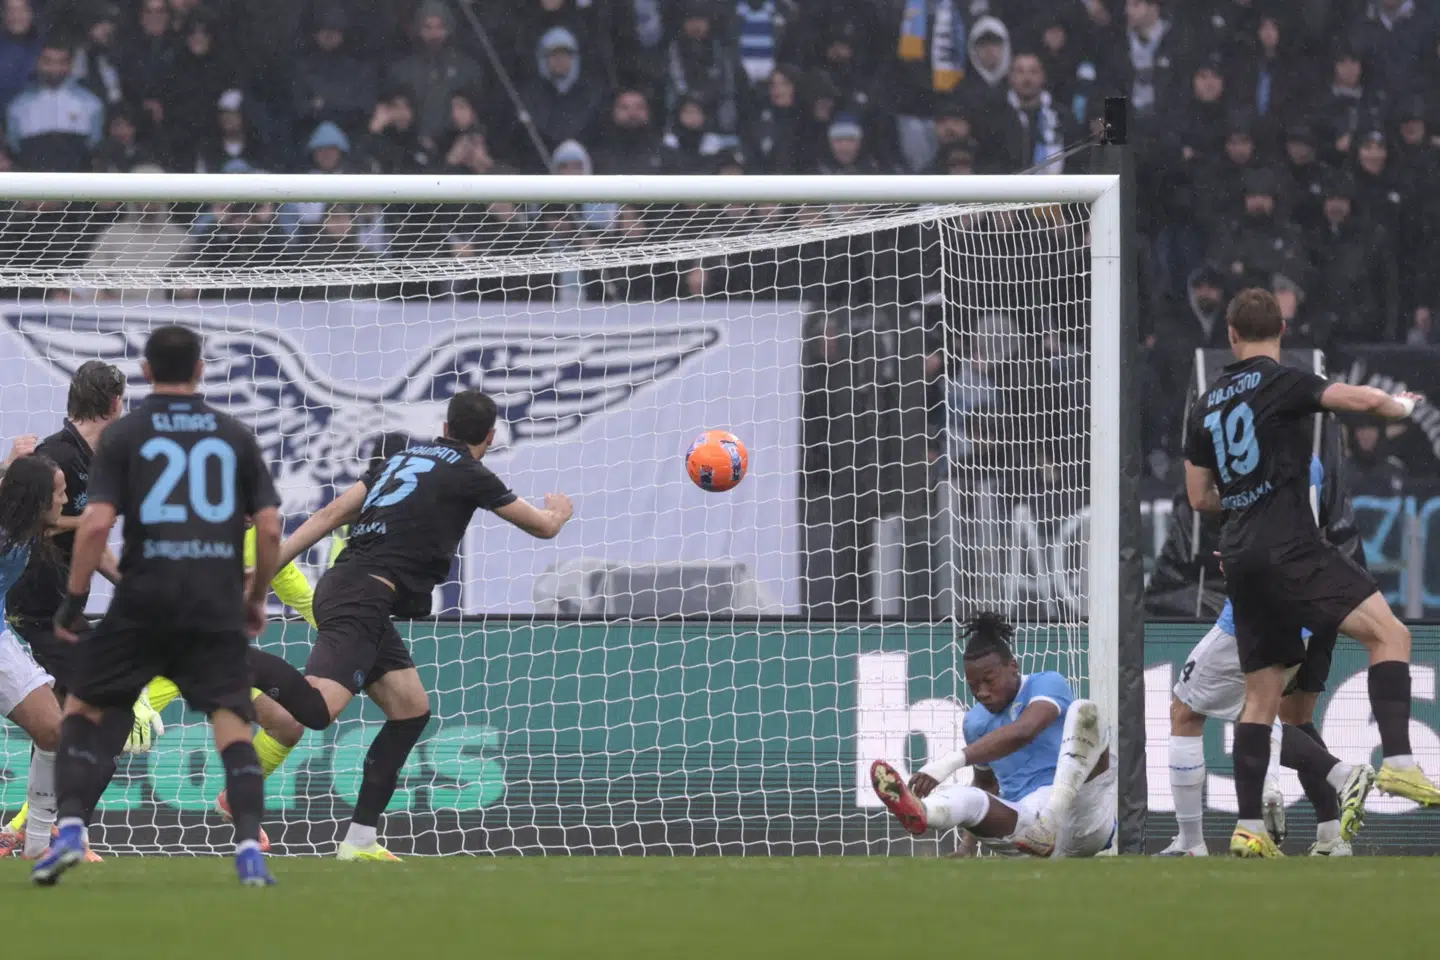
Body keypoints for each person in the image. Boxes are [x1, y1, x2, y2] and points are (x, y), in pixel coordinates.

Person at [254, 389, 573, 861]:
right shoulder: (470, 472)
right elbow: (542, 527)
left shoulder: (399, 459)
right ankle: (226, 661)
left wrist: (263, 571)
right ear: (489, 436)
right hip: (362, 597)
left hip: (353, 590)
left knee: (410, 710)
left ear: (444, 427)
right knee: (317, 712)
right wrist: (560, 512)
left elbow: (327, 515)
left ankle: (360, 840)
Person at [1183, 288, 1440, 858]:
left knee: (1261, 696)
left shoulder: (1205, 404)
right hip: (1291, 544)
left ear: (1230, 335)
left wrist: (1246, 494)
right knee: (1391, 635)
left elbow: (1199, 496)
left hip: (1240, 553)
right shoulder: (1285, 380)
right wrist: (1397, 406)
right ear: (1281, 331)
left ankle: (1249, 826)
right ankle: (1398, 763)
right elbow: (1355, 399)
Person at [30, 325, 283, 887]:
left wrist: (73, 603)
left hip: (144, 597)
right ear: (200, 370)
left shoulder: (126, 436)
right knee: (233, 723)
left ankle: (69, 829)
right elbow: (268, 528)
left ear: (146, 373)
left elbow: (95, 525)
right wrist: (258, 596)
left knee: (84, 713)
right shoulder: (235, 434)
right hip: (212, 600)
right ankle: (247, 846)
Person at [1161, 456, 1374, 857]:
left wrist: (1240, 550)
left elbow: (1199, 496)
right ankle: (1330, 834)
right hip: (1314, 599)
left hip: (1264, 603)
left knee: (1187, 708)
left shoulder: (1255, 452)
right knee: (1284, 716)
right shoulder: (1305, 458)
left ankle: (1194, 842)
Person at [870, 612, 1114, 858]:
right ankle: (923, 811)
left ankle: (1050, 820)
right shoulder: (975, 723)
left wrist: (949, 763)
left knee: (1085, 712)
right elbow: (987, 785)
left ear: (1013, 668)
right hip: (1027, 831)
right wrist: (967, 847)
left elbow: (1024, 731)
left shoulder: (1047, 684)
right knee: (970, 796)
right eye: (973, 686)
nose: (982, 692)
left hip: (1081, 817)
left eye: (989, 680)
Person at [0, 454, 70, 861]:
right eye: (59, 494)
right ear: (37, 500)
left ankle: (37, 846)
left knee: (53, 730)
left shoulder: (27, 526)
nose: (64, 501)